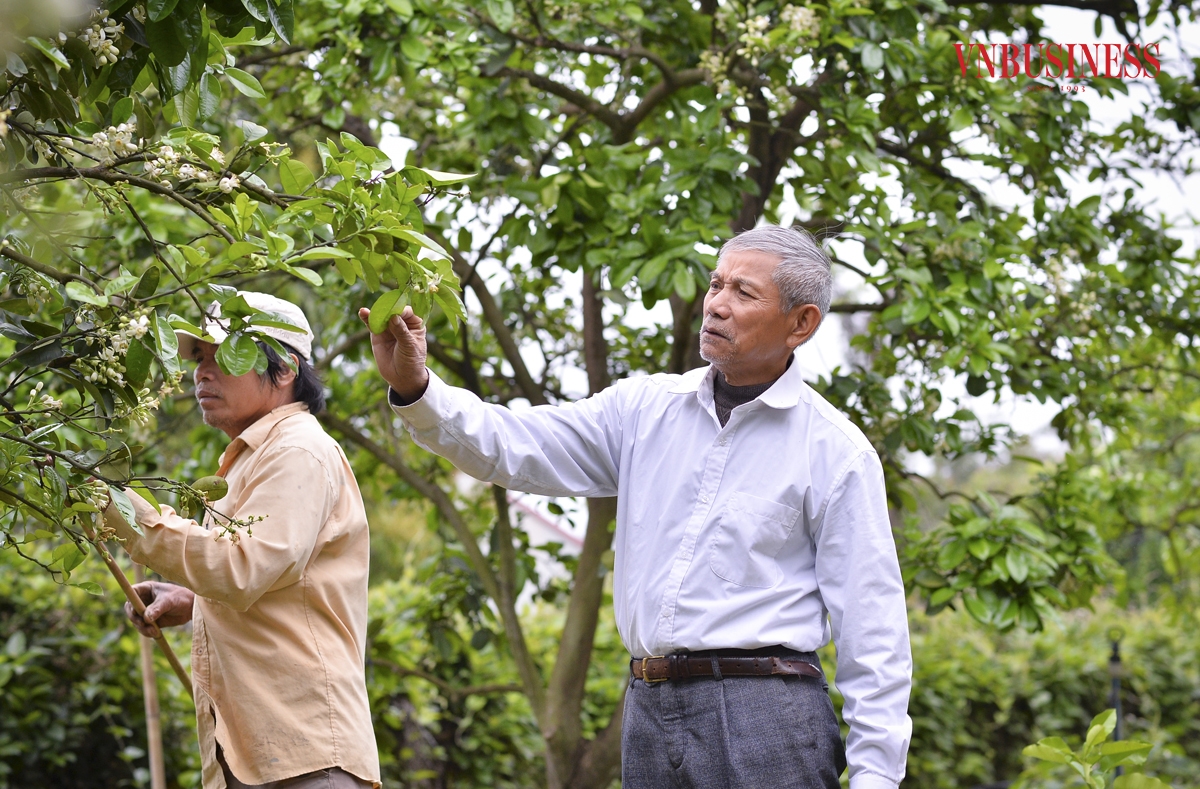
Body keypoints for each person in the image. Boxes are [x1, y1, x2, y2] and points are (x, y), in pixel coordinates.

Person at [362, 225, 912, 788]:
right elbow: (514, 445)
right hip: (649, 709)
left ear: (801, 323)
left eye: (743, 292)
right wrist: (417, 387)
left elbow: (874, 631)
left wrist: (876, 778)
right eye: (716, 284)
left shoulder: (835, 451)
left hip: (767, 717)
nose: (717, 304)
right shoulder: (643, 411)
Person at [111, 292, 381, 789]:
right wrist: (195, 602)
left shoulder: (298, 449)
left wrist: (124, 512)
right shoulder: (255, 456)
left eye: (225, 356)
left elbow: (242, 569)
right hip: (267, 759)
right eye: (200, 358)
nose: (202, 373)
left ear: (285, 371)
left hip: (307, 763)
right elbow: (277, 582)